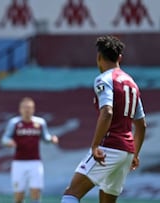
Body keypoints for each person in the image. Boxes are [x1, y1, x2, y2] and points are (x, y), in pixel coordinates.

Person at [61, 35, 146, 203]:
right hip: (127, 151)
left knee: (72, 193)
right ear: (119, 58)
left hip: (109, 147)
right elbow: (141, 125)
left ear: (98, 57)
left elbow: (107, 112)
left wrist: (94, 146)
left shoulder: (104, 79)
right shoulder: (132, 83)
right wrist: (135, 153)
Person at [2, 97, 58, 203]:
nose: (27, 110)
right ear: (20, 109)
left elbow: (45, 137)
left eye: (29, 107)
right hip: (18, 163)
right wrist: (8, 142)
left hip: (35, 163)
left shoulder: (40, 123)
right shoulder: (14, 123)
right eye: (25, 107)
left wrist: (51, 139)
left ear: (33, 109)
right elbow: (5, 138)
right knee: (19, 195)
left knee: (36, 192)